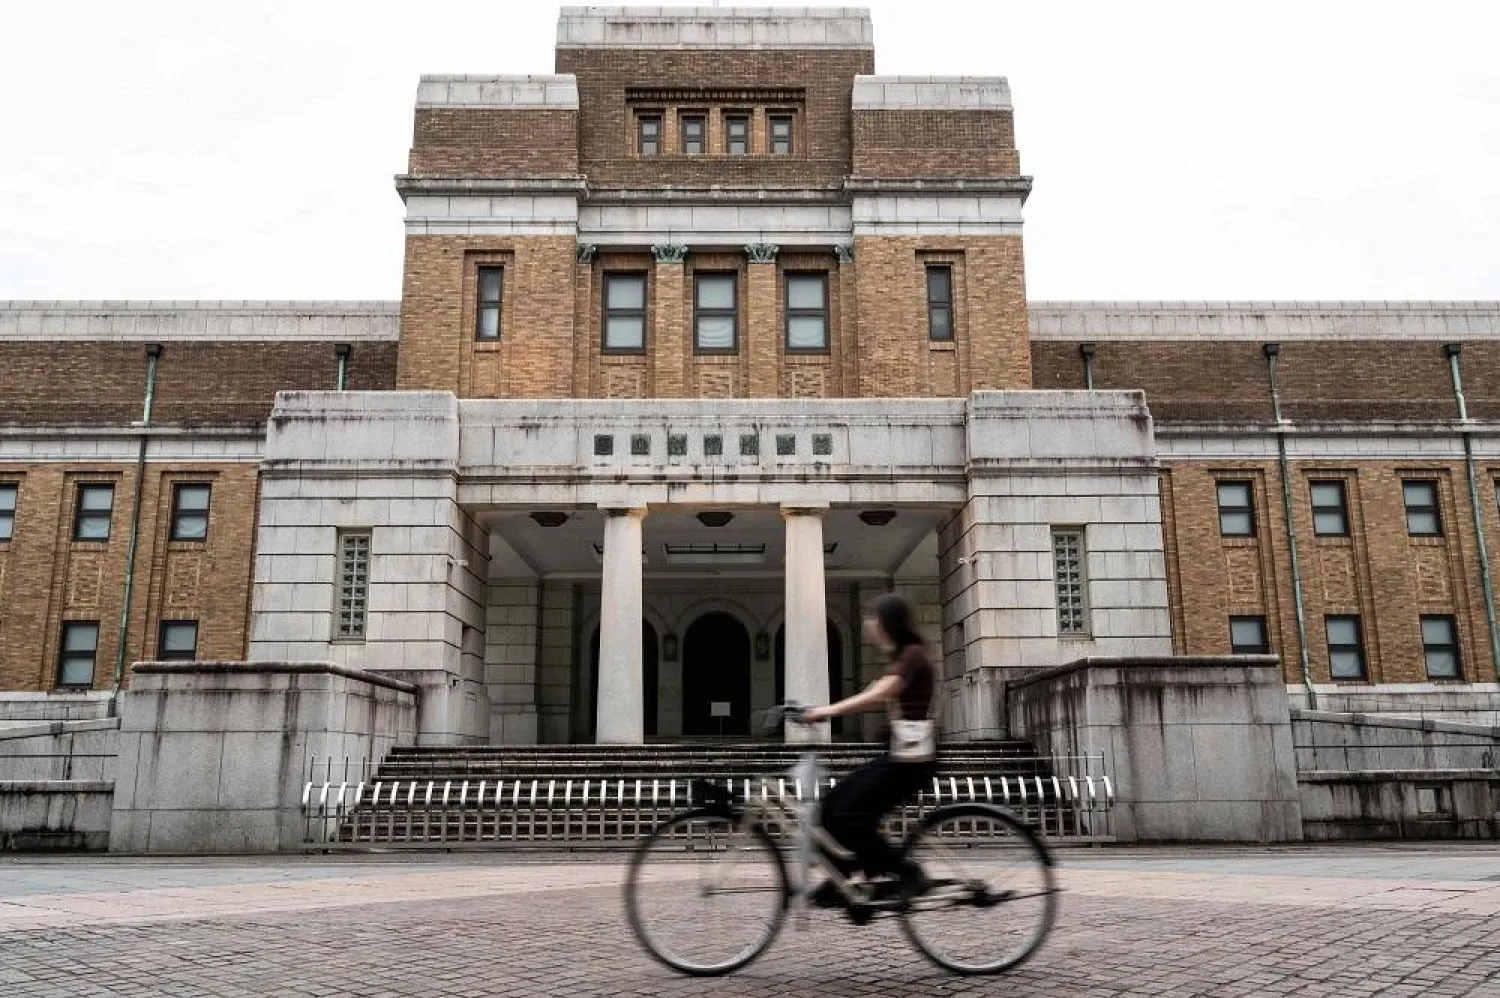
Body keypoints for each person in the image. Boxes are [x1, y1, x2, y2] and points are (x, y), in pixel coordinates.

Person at [801, 592, 937, 908]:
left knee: (850, 815)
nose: (869, 624)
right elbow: (876, 690)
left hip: (911, 760)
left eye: (875, 617)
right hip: (900, 755)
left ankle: (907, 872)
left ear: (889, 622)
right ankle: (846, 879)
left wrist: (826, 711)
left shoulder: (913, 656)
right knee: (830, 808)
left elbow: (878, 696)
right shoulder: (902, 657)